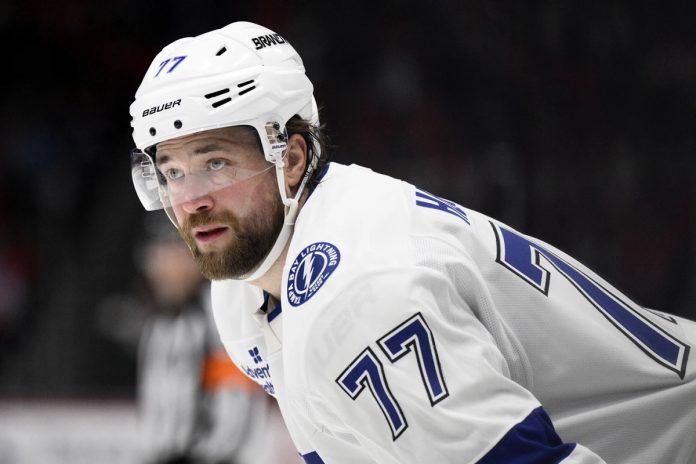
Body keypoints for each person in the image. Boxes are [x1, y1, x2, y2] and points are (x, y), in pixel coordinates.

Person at [128, 21, 696, 463]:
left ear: (293, 158)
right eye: (172, 171)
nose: (190, 198)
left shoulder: (362, 297)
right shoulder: (250, 289)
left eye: (217, 162)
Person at [134, 214, 271, 464]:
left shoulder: (221, 316)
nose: (156, 267)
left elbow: (235, 414)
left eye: (167, 254)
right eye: (153, 256)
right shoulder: (158, 322)